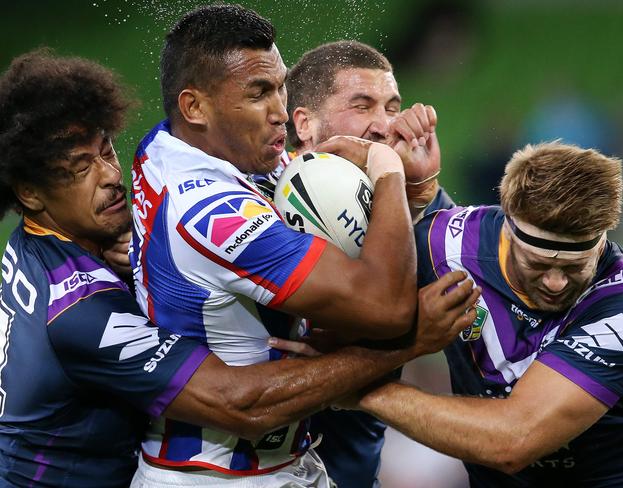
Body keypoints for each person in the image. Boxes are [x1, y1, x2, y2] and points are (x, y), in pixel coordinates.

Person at [0, 49, 479, 488]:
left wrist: (419, 195)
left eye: (106, 151)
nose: (109, 175)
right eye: (77, 169)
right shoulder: (77, 308)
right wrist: (408, 345)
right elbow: (236, 403)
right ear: (29, 193)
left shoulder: (152, 165)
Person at [129, 5, 480, 487]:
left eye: (278, 88)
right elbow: (387, 309)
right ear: (195, 107)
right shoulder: (212, 215)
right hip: (218, 475)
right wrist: (387, 174)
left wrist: (412, 191)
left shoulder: (172, 148)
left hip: (282, 463)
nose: (277, 113)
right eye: (257, 94)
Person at [352, 142, 623, 486]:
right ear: (507, 229)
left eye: (575, 267)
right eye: (537, 264)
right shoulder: (443, 246)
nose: (555, 283)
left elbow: (513, 440)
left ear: (600, 241)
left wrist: (364, 390)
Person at [283, 40, 456, 488]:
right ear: (304, 123)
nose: (384, 126)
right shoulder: (251, 211)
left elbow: (465, 297)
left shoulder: (391, 208)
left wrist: (423, 192)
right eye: (362, 106)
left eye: (392, 107)